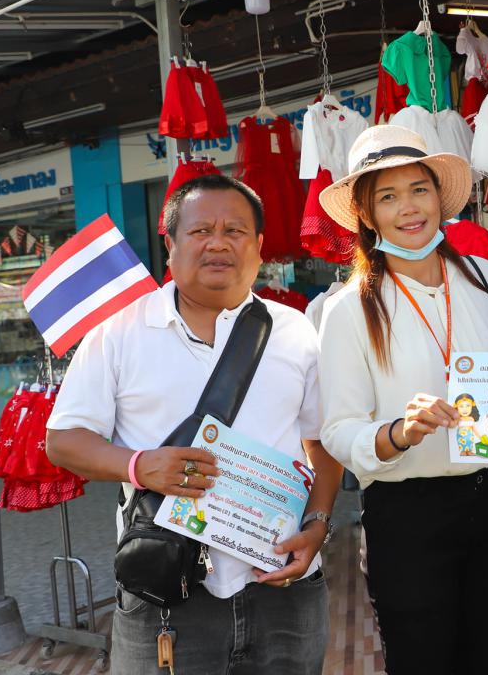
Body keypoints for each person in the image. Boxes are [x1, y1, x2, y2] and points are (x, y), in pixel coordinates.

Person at [46, 174, 341, 675]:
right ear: (170, 244)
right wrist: (139, 465)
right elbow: (63, 441)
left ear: (259, 246)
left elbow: (322, 442)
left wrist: (317, 525)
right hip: (164, 588)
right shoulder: (119, 332)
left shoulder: (295, 331)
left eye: (235, 231)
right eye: (201, 230)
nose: (218, 243)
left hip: (284, 584)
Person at [316, 125, 488, 675]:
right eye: (388, 197)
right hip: (408, 516)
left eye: (419, 190)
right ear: (367, 214)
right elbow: (338, 429)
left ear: (440, 197)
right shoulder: (348, 309)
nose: (409, 208)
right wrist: (397, 432)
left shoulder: (482, 278)